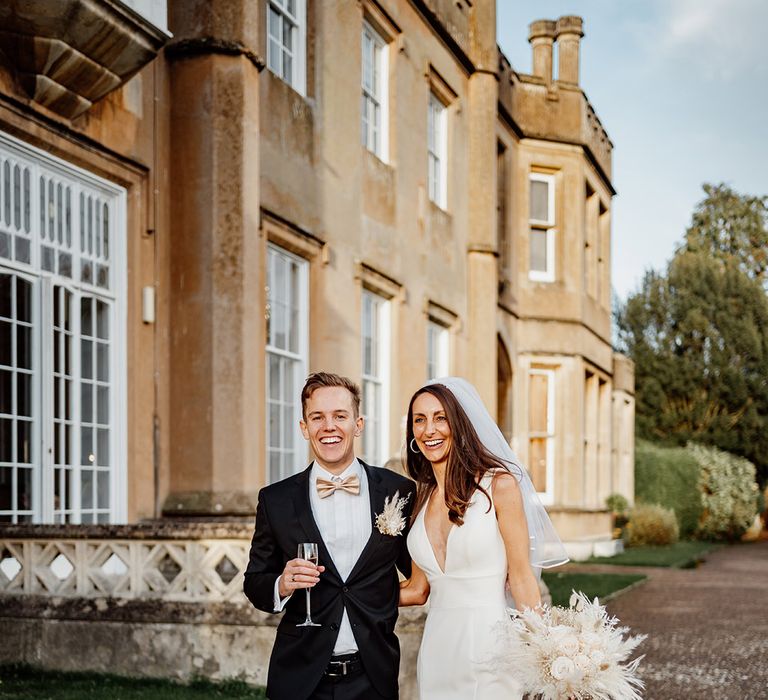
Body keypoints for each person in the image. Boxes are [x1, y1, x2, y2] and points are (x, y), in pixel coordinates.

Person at [244, 372, 416, 700]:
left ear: (358, 423)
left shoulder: (397, 491)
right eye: (317, 417)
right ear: (304, 427)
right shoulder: (275, 500)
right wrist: (281, 583)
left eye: (340, 416)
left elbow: (423, 571)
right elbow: (255, 582)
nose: (329, 426)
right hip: (300, 679)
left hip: (374, 677)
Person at [398, 377, 568, 700]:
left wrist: (549, 658)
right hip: (436, 650)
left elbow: (521, 579)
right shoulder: (420, 501)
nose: (429, 430)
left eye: (440, 418)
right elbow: (417, 589)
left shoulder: (499, 486)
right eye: (419, 420)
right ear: (412, 433)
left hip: (492, 647)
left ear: (458, 425)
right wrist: (345, 593)